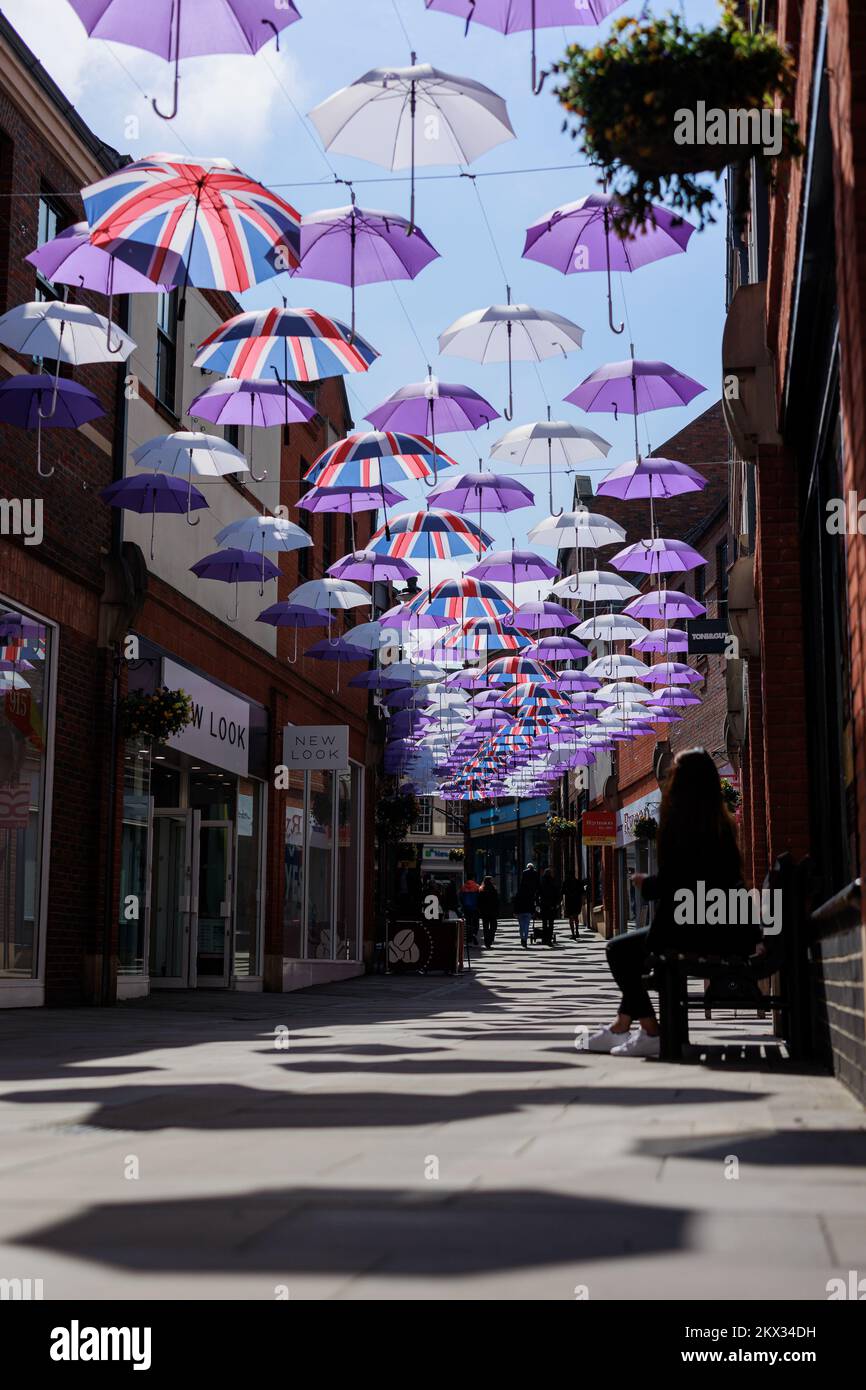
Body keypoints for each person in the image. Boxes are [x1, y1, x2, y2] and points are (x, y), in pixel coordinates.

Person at [587, 748, 753, 1059]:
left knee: (618, 951)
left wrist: (647, 885)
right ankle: (623, 1025)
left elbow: (676, 886)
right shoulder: (722, 824)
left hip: (695, 931)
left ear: (683, 781)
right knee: (630, 951)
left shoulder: (680, 824)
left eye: (671, 773)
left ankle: (649, 1031)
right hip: (722, 926)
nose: (666, 779)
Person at [513, 862, 539, 949]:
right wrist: (533, 911)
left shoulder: (520, 892)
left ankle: (522, 938)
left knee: (521, 926)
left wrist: (515, 911)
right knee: (527, 925)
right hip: (528, 910)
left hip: (520, 910)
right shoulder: (535, 874)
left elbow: (516, 901)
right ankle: (525, 939)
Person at [538, 867, 562, 946]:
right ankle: (549, 939)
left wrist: (538, 903)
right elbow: (557, 894)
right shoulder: (553, 882)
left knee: (544, 922)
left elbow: (538, 893)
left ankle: (545, 939)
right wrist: (557, 903)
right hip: (551, 905)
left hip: (544, 905)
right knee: (551, 923)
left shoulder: (542, 882)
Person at [563, 870, 586, 938]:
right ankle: (577, 931)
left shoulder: (566, 882)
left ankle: (573, 933)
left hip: (569, 902)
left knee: (571, 918)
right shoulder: (578, 882)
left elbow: (562, 891)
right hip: (576, 902)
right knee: (576, 917)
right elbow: (582, 891)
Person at [478, 875, 500, 948]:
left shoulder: (481, 890)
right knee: (493, 926)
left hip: (484, 912)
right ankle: (490, 938)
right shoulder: (494, 889)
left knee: (485, 927)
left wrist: (480, 910)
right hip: (492, 911)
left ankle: (487, 942)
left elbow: (479, 902)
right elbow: (497, 901)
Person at [459, 877, 480, 944]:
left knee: (468, 923)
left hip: (466, 908)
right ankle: (474, 933)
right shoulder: (477, 887)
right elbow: (479, 898)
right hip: (475, 908)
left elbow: (461, 897)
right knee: (475, 922)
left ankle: (469, 938)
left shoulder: (463, 887)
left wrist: (463, 905)